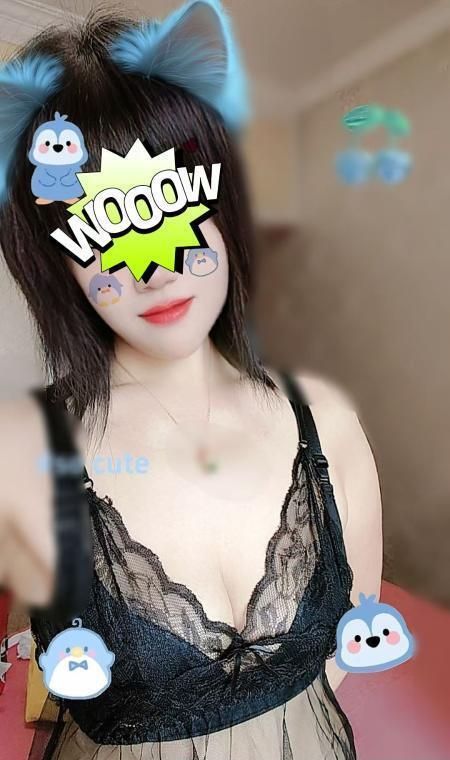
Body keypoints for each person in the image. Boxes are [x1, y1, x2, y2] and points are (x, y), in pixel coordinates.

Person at [0, 2, 383, 758]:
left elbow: (349, 640)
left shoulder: (327, 422)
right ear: (57, 258)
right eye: (103, 226)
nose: (154, 266)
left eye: (168, 201)